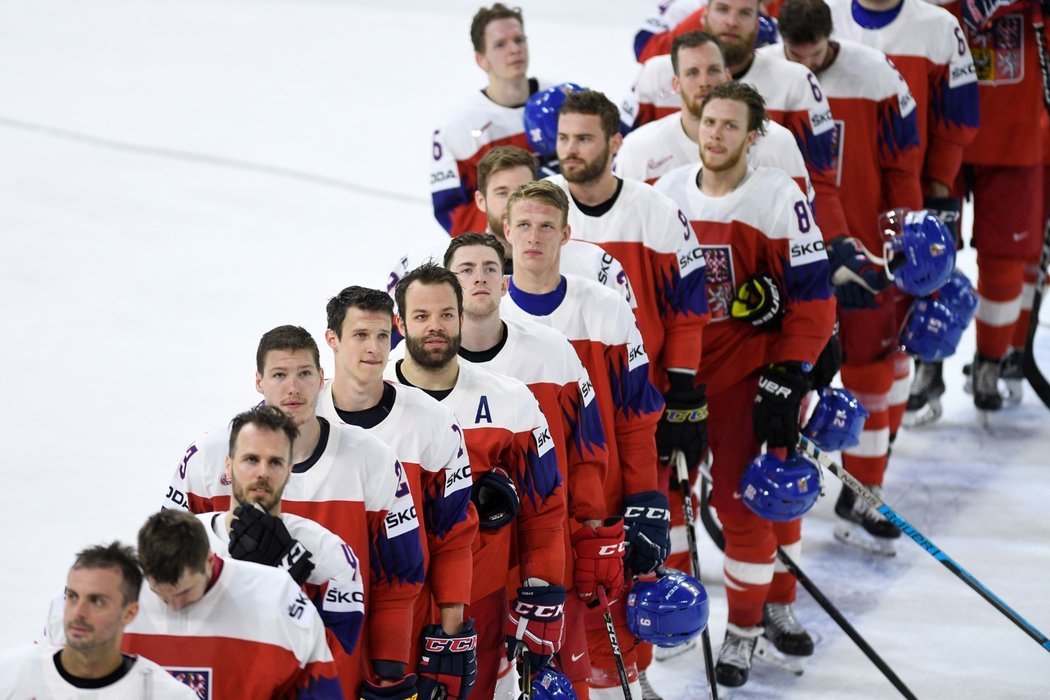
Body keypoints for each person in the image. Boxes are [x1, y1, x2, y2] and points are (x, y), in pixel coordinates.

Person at [654, 82, 835, 688]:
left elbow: (813, 297)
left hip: (744, 381)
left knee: (747, 505)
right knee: (667, 502)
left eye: (731, 125)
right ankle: (678, 617)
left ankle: (747, 626)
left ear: (754, 137)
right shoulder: (666, 193)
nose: (716, 134)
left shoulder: (778, 198)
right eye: (709, 122)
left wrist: (789, 372)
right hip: (676, 382)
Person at [164, 325, 424, 699]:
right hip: (229, 671)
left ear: (322, 378)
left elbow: (399, 578)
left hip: (334, 670)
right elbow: (166, 569)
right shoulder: (205, 458)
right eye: (280, 375)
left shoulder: (374, 459)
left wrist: (389, 668)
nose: (293, 388)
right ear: (259, 381)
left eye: (304, 374)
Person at [498, 180, 670, 699]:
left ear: (566, 234)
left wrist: (645, 498)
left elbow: (636, 418)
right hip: (515, 525)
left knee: (605, 647)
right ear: (505, 232)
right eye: (523, 225)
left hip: (598, 508)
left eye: (546, 226)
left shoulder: (606, 310)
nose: (534, 237)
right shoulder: (483, 318)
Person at [773, 0, 923, 556]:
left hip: (862, 254)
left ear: (830, 37)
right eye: (795, 54)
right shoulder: (765, 75)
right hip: (788, 260)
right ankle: (776, 506)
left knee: (873, 373)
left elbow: (901, 163)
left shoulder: (875, 73)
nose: (805, 64)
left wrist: (901, 236)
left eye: (813, 53)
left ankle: (867, 491)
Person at [445, 232, 618, 700]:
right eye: (465, 269)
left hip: (545, 555)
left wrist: (590, 533)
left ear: (505, 283)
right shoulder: (415, 370)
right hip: (468, 571)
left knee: (567, 685)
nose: (478, 277)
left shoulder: (553, 350)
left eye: (488, 268)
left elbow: (588, 449)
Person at [389, 263, 567, 699]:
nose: (436, 327)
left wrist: (541, 592)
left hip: (481, 600)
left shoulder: (511, 401)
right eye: (422, 316)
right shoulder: (363, 405)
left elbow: (545, 511)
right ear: (400, 323)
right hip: (388, 605)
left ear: (462, 315)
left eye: (447, 314)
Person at [319, 285, 479, 700]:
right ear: (332, 339)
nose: (373, 348)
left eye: (382, 336)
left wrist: (451, 629)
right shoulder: (294, 417)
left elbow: (454, 535)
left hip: (404, 626)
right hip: (313, 624)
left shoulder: (434, 422)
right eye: (360, 335)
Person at [824, 0, 980, 424]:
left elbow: (953, 122)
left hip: (900, 202)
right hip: (829, 206)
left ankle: (886, 434)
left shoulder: (938, 27)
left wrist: (939, 193)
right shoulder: (823, 16)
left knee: (889, 327)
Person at [622, 0, 851, 240]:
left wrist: (835, 242)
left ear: (759, 20)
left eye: (744, 13)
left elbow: (818, 181)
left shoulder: (794, 83)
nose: (731, 21)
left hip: (752, 248)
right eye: (722, 9)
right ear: (704, 13)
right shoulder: (654, 75)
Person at [195, 404, 366, 657]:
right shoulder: (190, 542)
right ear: (228, 466)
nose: (262, 472)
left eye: (275, 462)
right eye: (251, 459)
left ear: (289, 472)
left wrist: (290, 583)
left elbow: (337, 654)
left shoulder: (329, 552)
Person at [947, 0, 1047, 413]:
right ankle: (926, 360)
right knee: (922, 254)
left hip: (1017, 129)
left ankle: (994, 356)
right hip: (940, 120)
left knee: (1007, 258)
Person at [128, 510, 342, 698]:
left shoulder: (276, 594)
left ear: (209, 560)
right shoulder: (122, 598)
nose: (175, 607)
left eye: (185, 592)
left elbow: (318, 685)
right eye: (161, 595)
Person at [391, 146, 636, 309]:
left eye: (522, 190)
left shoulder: (595, 265)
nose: (513, 202)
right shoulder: (426, 266)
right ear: (480, 200)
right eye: (502, 192)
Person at [615, 30, 812, 201]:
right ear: (676, 84)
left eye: (713, 70)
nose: (704, 82)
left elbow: (802, 229)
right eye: (692, 73)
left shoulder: (776, 143)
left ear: (728, 77)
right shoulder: (638, 149)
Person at [3, 543, 195, 699]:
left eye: (96, 601)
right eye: (72, 597)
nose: (79, 612)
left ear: (129, 613)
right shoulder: (9, 676)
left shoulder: (170, 695)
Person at [429, 3, 552, 236]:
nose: (514, 49)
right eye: (500, 44)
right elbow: (451, 211)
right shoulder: (457, 125)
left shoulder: (562, 98)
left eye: (519, 39)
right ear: (481, 59)